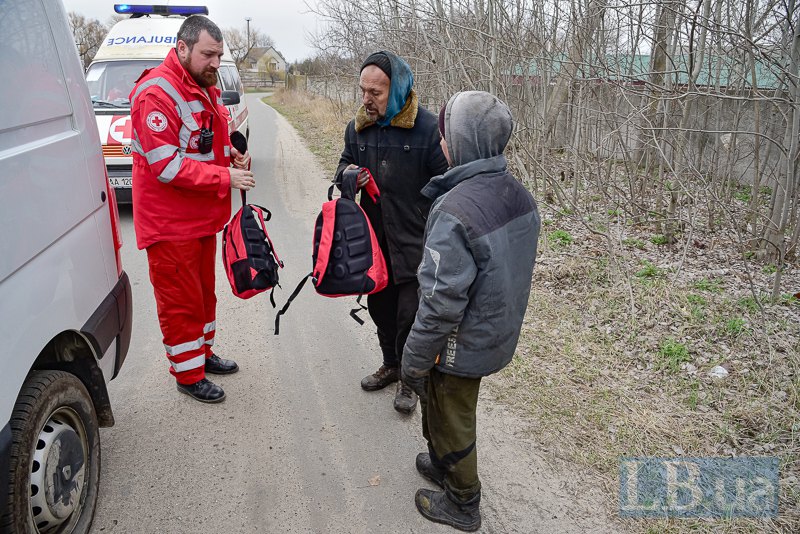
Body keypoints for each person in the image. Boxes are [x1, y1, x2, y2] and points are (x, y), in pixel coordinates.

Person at [401, 91, 541, 531]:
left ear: (463, 143)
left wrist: (414, 360)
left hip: (461, 339)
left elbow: (442, 303)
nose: (440, 143)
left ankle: (463, 500)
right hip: (497, 329)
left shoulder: (455, 209)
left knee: (450, 411)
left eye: (446, 135)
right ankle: (444, 466)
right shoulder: (517, 194)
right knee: (447, 405)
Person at [129, 15, 255, 403]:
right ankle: (188, 375)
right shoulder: (156, 94)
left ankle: (201, 354)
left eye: (219, 54)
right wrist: (225, 179)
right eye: (208, 54)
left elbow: (203, 142)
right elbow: (166, 166)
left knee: (203, 296)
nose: (216, 63)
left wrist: (231, 156)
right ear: (182, 48)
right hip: (170, 225)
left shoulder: (202, 84)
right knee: (181, 301)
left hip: (200, 220)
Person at [335, 51, 449, 414]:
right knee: (380, 308)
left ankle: (411, 381)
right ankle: (391, 365)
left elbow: (448, 184)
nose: (366, 100)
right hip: (374, 240)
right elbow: (341, 168)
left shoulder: (429, 129)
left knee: (410, 315)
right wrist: (350, 176)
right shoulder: (358, 128)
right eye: (363, 91)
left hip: (416, 241)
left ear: (397, 90)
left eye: (376, 93)